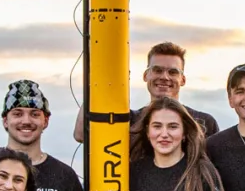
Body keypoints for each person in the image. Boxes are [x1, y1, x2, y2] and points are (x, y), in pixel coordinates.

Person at [74, 41, 220, 143]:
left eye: (173, 72)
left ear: (183, 80)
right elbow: (81, 135)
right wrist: (97, 82)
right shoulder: (129, 121)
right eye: (157, 70)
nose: (164, 77)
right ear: (145, 76)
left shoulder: (204, 122)